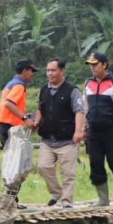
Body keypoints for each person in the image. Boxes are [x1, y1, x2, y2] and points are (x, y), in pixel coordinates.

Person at [35, 58, 85, 208]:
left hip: (67, 140)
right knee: (43, 167)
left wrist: (78, 131)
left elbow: (79, 111)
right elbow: (40, 108)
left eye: (53, 70)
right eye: (48, 70)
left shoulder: (72, 90)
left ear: (62, 71)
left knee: (68, 173)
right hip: (47, 140)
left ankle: (67, 201)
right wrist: (36, 121)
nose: (50, 73)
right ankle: (57, 193)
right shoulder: (44, 90)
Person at [83, 52, 113, 206]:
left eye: (95, 64)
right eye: (91, 65)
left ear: (104, 64)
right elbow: (85, 108)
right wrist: (84, 129)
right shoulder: (88, 84)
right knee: (95, 163)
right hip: (93, 132)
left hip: (112, 131)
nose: (93, 68)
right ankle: (103, 200)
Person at [0, 59, 37, 148]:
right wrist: (25, 118)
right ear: (24, 71)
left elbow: (0, 109)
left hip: (4, 126)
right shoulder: (19, 85)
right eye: (31, 71)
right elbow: (8, 104)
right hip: (10, 128)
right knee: (14, 160)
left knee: (9, 158)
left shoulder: (10, 84)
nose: (32, 74)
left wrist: (22, 115)